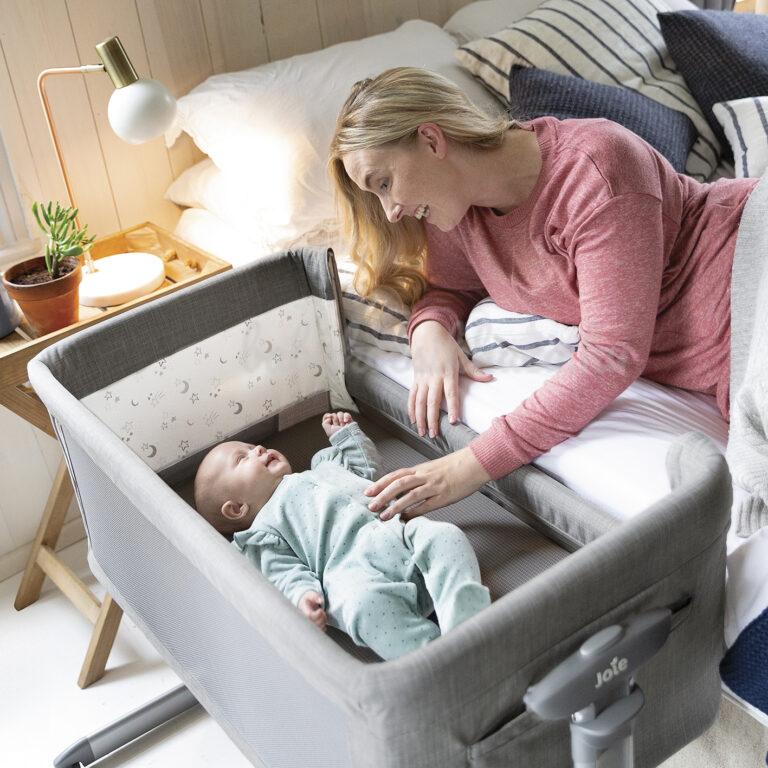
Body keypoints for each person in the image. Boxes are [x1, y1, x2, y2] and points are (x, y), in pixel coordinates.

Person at [327, 66, 759, 523]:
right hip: (728, 349)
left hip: (751, 258)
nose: (390, 212)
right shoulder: (455, 211)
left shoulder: (595, 168)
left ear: (432, 141)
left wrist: (467, 467)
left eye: (384, 183)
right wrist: (429, 330)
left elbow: (613, 355)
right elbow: (450, 287)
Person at [193, 411, 491, 660]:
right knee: (361, 607)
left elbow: (368, 470)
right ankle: (436, 659)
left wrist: (346, 435)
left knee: (445, 536)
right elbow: (284, 574)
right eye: (242, 458)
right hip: (350, 572)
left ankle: (466, 625)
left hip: (397, 534)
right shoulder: (263, 533)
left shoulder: (324, 465)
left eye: (251, 445)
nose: (257, 449)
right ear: (236, 509)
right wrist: (303, 597)